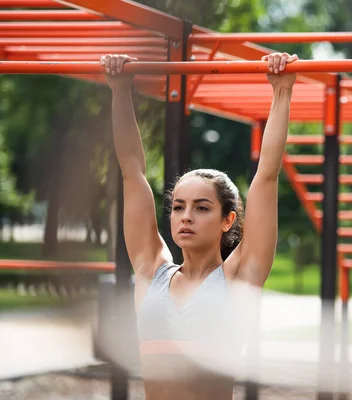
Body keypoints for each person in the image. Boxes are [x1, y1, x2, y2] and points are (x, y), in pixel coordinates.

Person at [101, 51, 298, 400]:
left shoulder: (239, 278)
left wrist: (281, 91)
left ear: (228, 220)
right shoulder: (151, 271)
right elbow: (131, 169)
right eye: (178, 207)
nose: (185, 216)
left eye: (202, 207)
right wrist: (120, 90)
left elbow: (267, 175)